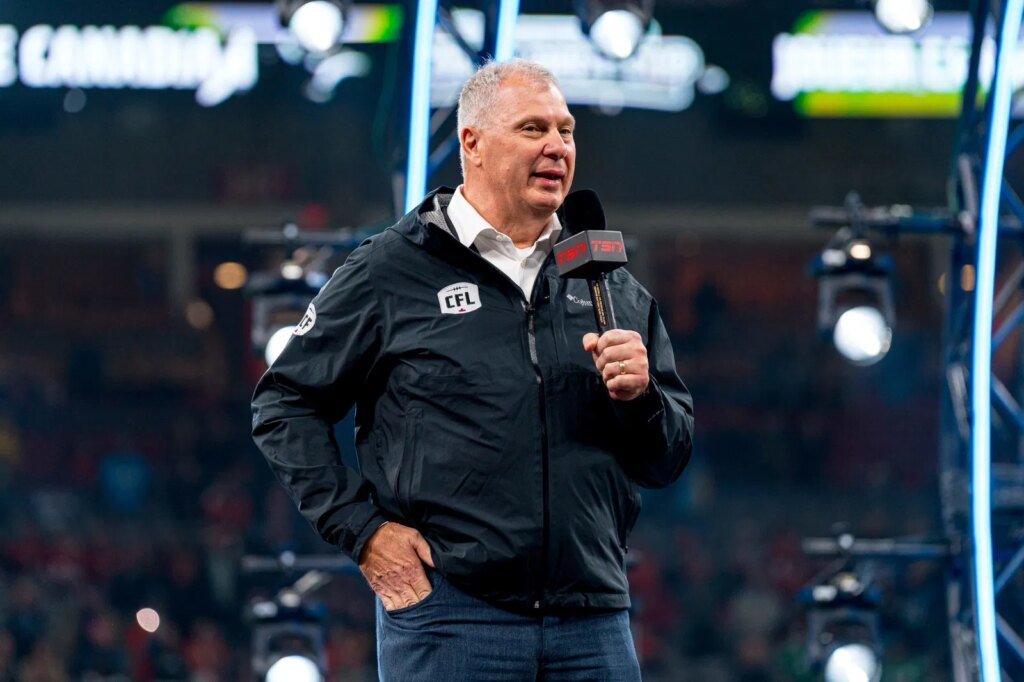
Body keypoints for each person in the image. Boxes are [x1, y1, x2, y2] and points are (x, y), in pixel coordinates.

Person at [251, 59, 693, 680]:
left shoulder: (610, 286)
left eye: (565, 131)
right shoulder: (391, 270)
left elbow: (665, 459)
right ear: (473, 143)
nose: (556, 146)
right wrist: (363, 531)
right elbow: (283, 404)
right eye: (533, 128)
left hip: (593, 620)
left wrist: (644, 398)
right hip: (452, 617)